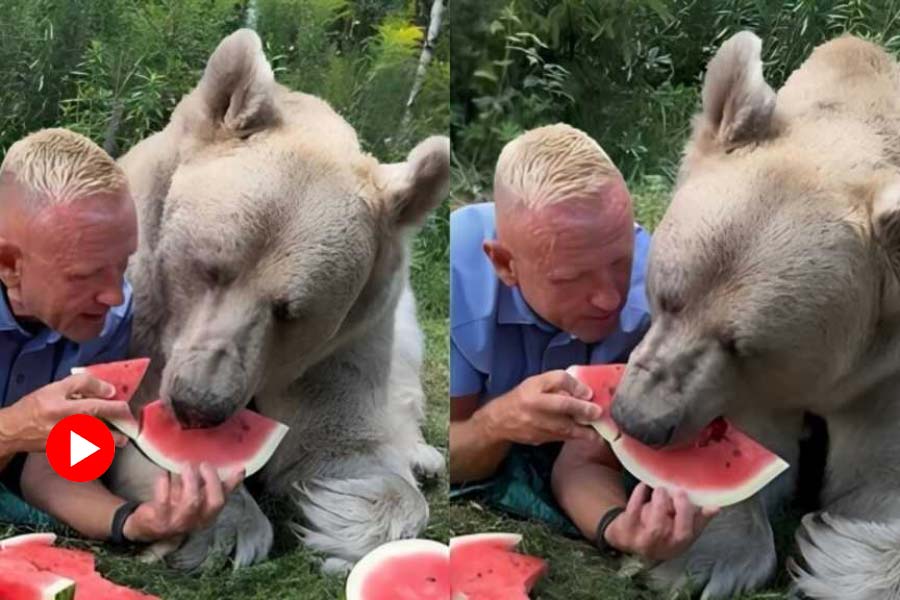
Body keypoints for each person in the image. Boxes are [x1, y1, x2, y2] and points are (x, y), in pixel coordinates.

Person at [449, 123, 717, 560]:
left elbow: (585, 459)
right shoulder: (461, 281)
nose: (609, 297)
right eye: (570, 278)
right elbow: (453, 453)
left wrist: (617, 526)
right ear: (504, 264)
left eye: (619, 260)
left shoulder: (652, 301)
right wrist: (497, 421)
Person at [0, 128, 242, 544]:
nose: (115, 296)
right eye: (85, 274)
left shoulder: (108, 320)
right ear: (9, 264)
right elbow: (25, 435)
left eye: (122, 264)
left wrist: (131, 520)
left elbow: (55, 460)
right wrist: (14, 428)